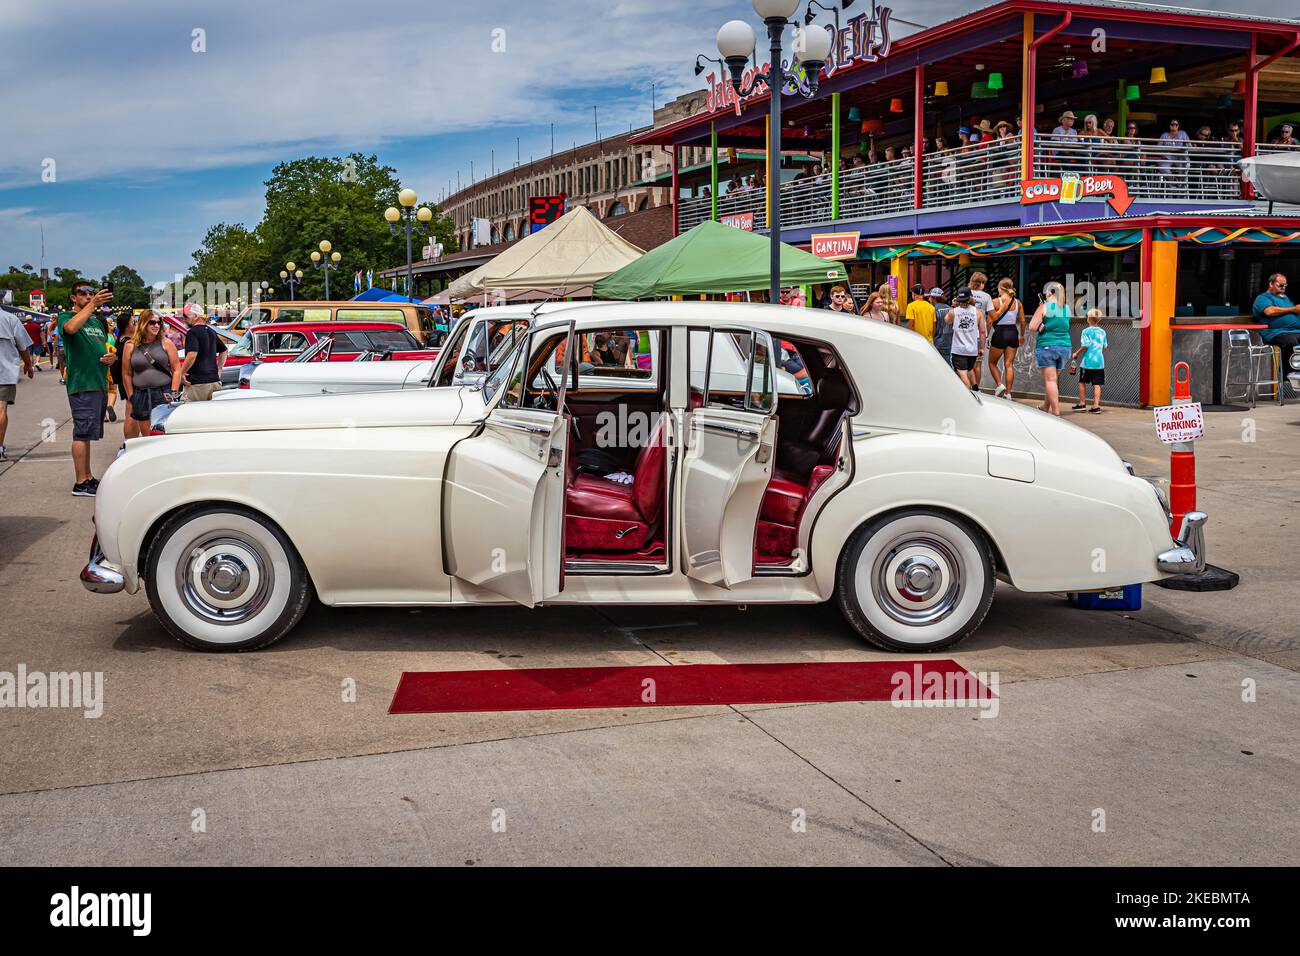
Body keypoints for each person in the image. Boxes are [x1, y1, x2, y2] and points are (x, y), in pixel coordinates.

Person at [57, 283, 115, 495]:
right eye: (83, 294)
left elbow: (105, 347)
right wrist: (94, 304)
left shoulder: (96, 322)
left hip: (98, 382)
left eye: (91, 293)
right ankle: (80, 482)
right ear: (73, 298)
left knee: (88, 433)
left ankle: (88, 477)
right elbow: (70, 329)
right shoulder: (66, 317)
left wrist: (112, 358)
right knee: (81, 433)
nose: (89, 296)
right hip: (82, 384)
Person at [121, 311, 181, 440]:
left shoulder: (166, 343)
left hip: (163, 392)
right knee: (147, 436)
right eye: (152, 322)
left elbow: (176, 369)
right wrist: (131, 396)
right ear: (143, 324)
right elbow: (126, 373)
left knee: (163, 434)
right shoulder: (130, 345)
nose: (156, 325)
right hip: (140, 394)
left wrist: (173, 392)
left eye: (159, 322)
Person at [1028, 281, 1073, 416]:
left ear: (1049, 293)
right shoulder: (1066, 308)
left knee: (1050, 380)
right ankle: (1045, 407)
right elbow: (1063, 324)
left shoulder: (1044, 307)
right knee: (1053, 380)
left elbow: (1031, 327)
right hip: (1065, 347)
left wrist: (1041, 322)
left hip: (1048, 346)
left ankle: (1056, 412)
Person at [0, 305, 36, 461]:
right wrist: (28, 364)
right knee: (1, 408)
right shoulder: (10, 318)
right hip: (4, 370)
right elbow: (22, 346)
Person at [1252, 272, 1300, 387]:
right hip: (1275, 332)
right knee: (1291, 342)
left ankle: (1297, 373)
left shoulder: (1285, 298)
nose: (1283, 288)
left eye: (1285, 286)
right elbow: (1270, 311)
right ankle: (1286, 377)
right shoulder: (1263, 298)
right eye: (1280, 285)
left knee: (1294, 339)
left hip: (1294, 331)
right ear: (1271, 284)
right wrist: (1293, 309)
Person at [986, 277, 1024, 398]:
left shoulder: (996, 302)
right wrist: (1022, 335)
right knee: (1009, 364)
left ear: (1000, 288)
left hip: (1000, 333)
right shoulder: (1017, 302)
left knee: (992, 363)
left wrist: (987, 336)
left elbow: (990, 321)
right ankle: (1008, 393)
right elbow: (1022, 320)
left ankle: (999, 384)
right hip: (1013, 332)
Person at [179, 304, 227, 401]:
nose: (184, 319)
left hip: (198, 383)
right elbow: (224, 350)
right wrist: (219, 369)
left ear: (196, 317)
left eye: (185, 316)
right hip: (214, 380)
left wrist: (181, 372)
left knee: (187, 411)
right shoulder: (211, 331)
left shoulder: (192, 332)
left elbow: (192, 354)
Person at [946, 287, 987, 389]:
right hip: (972, 351)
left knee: (963, 375)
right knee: (969, 369)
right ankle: (976, 389)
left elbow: (947, 320)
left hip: (958, 350)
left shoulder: (953, 312)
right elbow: (982, 332)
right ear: (969, 299)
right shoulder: (978, 313)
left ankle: (969, 394)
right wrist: (981, 348)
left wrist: (953, 306)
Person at [1072, 308, 1108, 412]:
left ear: (1088, 319)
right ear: (1099, 320)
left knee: (1082, 382)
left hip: (1087, 362)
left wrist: (1076, 353)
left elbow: (1085, 345)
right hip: (1099, 363)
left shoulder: (1085, 331)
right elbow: (1105, 347)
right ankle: (1096, 406)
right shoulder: (1102, 332)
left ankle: (1082, 403)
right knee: (1097, 384)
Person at [967, 272, 994, 392]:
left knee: (966, 364)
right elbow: (991, 318)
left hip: (966, 332)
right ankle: (976, 389)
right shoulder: (986, 296)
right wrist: (987, 334)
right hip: (979, 334)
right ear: (982, 283)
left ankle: (967, 387)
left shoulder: (965, 293)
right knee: (977, 364)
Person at [928, 288, 953, 367]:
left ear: (934, 298)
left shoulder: (933, 310)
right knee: (948, 365)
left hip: (938, 342)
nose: (929, 299)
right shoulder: (950, 308)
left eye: (930, 297)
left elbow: (933, 328)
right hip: (949, 341)